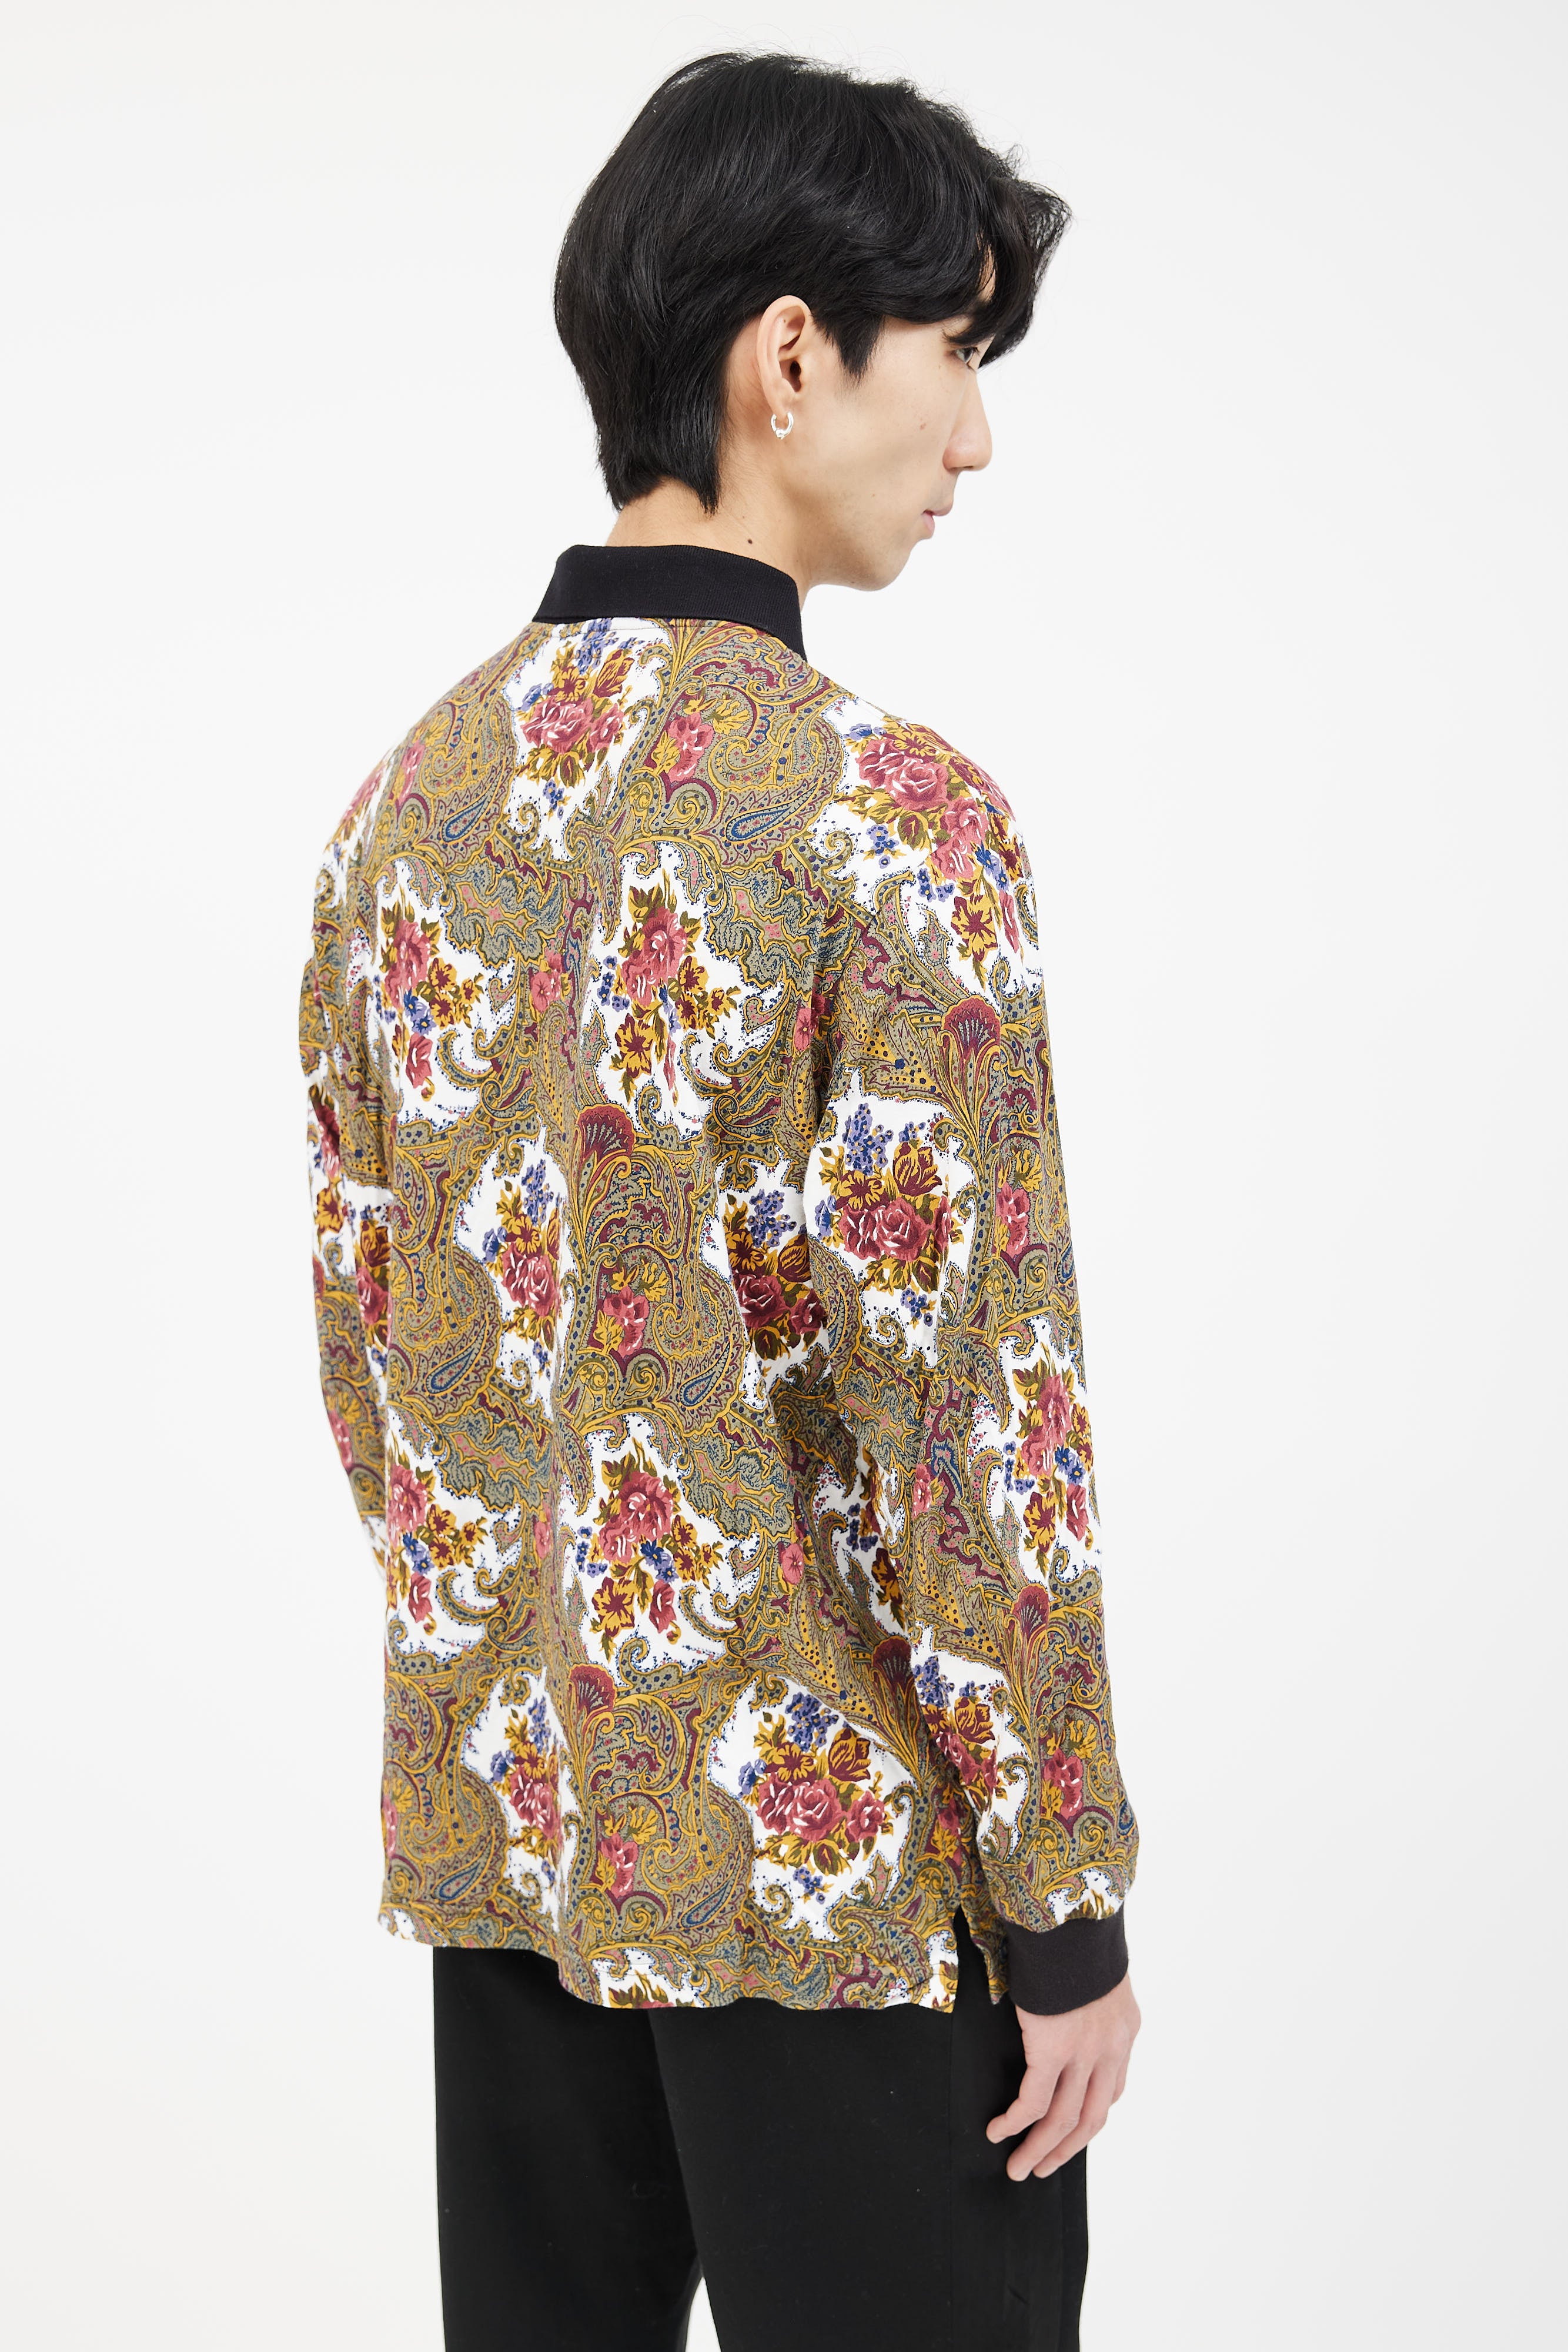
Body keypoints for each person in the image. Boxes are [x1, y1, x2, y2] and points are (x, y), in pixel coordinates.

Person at [300, 49, 1139, 2352]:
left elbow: (379, 1350)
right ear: (790, 356)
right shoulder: (889, 823)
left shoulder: (412, 809)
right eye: (951, 348)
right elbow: (971, 1427)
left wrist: (535, 1673)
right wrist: (1061, 1904)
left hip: (524, 1840)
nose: (974, 437)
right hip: (840, 1891)